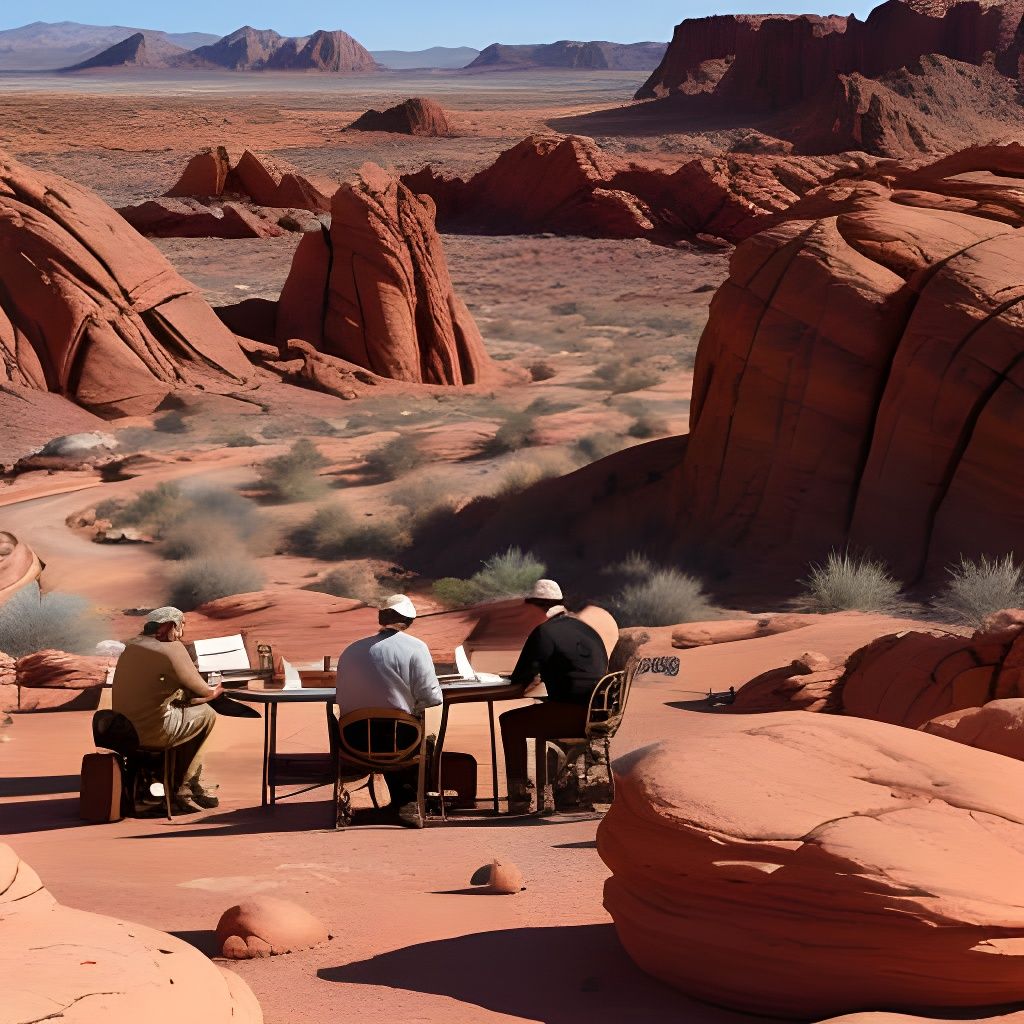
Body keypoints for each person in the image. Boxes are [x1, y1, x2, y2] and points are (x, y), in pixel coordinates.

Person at [500, 579, 609, 814]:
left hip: (572, 714)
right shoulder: (587, 629)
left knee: (509, 722)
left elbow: (520, 679)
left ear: (537, 607)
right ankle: (559, 792)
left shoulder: (544, 632)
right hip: (601, 714)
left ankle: (519, 797)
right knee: (540, 710)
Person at [336, 594, 442, 828]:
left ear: (381, 618)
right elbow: (432, 697)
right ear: (409, 621)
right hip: (399, 742)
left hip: (353, 741)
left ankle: (402, 802)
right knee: (425, 739)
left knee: (395, 727)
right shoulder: (416, 647)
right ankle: (412, 802)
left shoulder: (351, 650)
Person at [111, 606, 222, 814]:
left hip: (122, 731)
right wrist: (217, 690)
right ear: (169, 626)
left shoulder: (131, 645)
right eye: (180, 628)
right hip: (152, 732)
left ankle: (180, 781)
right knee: (207, 715)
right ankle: (185, 786)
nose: (181, 634)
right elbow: (202, 690)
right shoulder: (171, 648)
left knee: (184, 714)